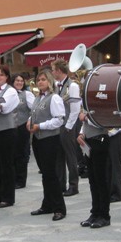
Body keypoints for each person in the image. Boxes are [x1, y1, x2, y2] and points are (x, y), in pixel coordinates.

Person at [28, 70, 67, 221]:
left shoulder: (54, 98)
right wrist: (29, 122)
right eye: (38, 80)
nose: (40, 82)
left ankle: (59, 208)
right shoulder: (38, 97)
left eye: (43, 79)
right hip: (38, 139)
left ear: (49, 81)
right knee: (45, 173)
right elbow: (33, 114)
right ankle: (47, 204)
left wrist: (40, 126)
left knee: (51, 174)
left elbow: (59, 120)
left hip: (50, 139)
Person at [51, 59, 81, 196]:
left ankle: (74, 186)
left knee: (70, 156)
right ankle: (61, 184)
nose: (52, 72)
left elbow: (75, 109)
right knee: (59, 157)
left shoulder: (72, 86)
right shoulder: (57, 86)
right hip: (59, 124)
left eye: (53, 70)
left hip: (68, 125)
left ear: (58, 71)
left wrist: (69, 126)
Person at [0, 65, 19, 208]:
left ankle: (8, 197)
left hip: (7, 130)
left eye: (1, 75)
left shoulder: (11, 91)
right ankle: (0, 193)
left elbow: (4, 108)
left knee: (6, 165)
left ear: (7, 77)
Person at [77, 109, 111, 228]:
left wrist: (85, 118)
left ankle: (104, 215)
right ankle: (95, 212)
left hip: (100, 139)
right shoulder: (87, 102)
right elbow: (84, 122)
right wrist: (82, 133)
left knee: (100, 179)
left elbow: (103, 120)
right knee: (92, 179)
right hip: (89, 140)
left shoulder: (100, 101)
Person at [12, 73, 34, 190]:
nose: (19, 82)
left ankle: (21, 180)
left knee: (22, 154)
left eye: (21, 81)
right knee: (12, 154)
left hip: (22, 127)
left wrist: (30, 120)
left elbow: (34, 109)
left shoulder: (27, 94)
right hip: (11, 127)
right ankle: (14, 178)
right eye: (17, 80)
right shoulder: (9, 93)